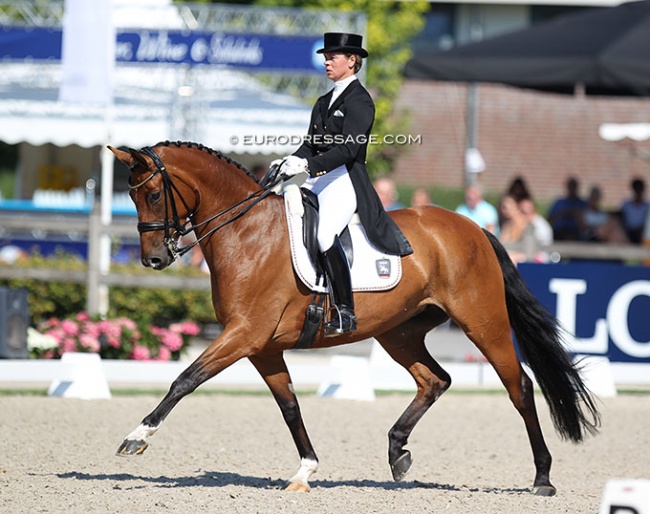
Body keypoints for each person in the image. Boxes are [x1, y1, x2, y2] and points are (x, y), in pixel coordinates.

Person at [274, 32, 413, 336]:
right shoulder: (324, 101)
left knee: (324, 236)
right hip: (319, 177)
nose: (326, 61)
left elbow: (349, 150)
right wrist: (289, 161)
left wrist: (308, 165)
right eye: (325, 57)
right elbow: (311, 145)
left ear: (352, 61)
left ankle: (345, 311)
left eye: (332, 57)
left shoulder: (361, 101)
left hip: (346, 178)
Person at [548, 177, 587, 241]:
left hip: (576, 233)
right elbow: (549, 220)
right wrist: (562, 213)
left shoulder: (582, 204)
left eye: (573, 187)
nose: (572, 189)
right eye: (570, 186)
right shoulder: (559, 203)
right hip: (559, 232)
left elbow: (586, 223)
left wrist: (575, 214)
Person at [620, 177, 649, 244]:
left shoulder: (647, 206)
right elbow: (621, 220)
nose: (638, 191)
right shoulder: (626, 205)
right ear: (633, 190)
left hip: (643, 234)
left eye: (640, 189)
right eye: (636, 189)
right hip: (628, 233)